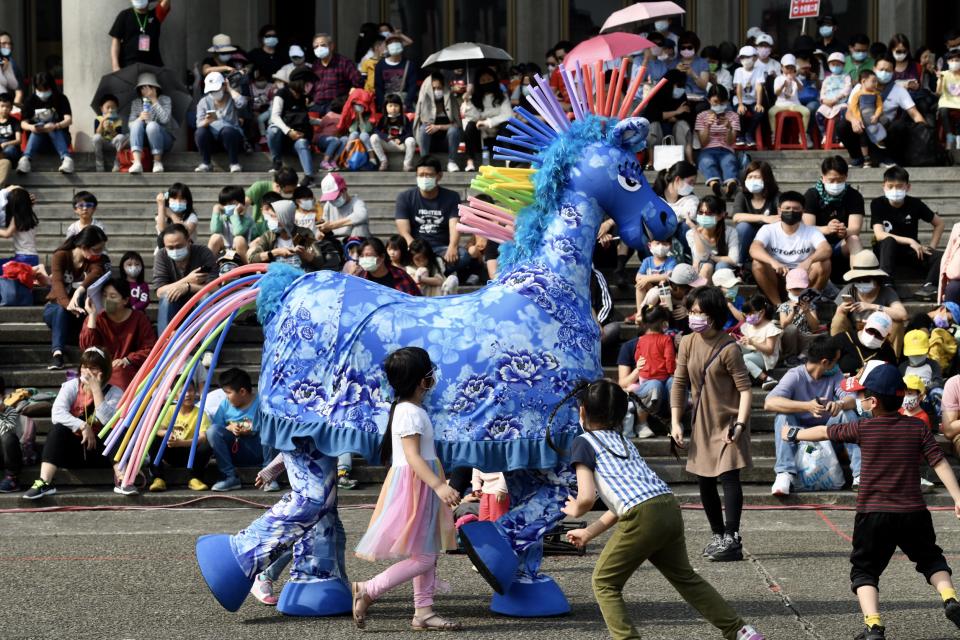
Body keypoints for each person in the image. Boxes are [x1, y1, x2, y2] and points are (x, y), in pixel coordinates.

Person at [562, 379, 765, 640]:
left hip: (642, 516)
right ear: (623, 415)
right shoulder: (623, 442)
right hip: (667, 506)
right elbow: (623, 502)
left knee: (604, 583)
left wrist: (577, 509)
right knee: (685, 578)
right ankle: (740, 630)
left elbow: (587, 498)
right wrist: (589, 532)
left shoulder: (583, 442)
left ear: (582, 411)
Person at [785, 363, 960, 639]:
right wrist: (958, 497)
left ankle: (874, 626)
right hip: (913, 511)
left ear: (873, 401)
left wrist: (793, 434)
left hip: (873, 514)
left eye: (863, 395)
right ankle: (950, 599)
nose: (860, 400)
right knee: (931, 558)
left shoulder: (863, 427)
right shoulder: (918, 428)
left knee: (865, 570)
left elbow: (823, 433)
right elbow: (939, 462)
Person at [352, 347, 459, 631]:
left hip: (420, 484)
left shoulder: (408, 409)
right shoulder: (410, 413)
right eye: (430, 372)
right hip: (419, 485)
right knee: (425, 556)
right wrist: (438, 485)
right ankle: (369, 589)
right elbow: (413, 456)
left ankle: (423, 611)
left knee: (426, 552)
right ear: (423, 381)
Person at [671, 286, 753, 562]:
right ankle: (717, 534)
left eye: (700, 312)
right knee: (704, 479)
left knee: (729, 476)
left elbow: (745, 390)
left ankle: (732, 536)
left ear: (714, 315)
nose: (695, 317)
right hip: (701, 421)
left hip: (729, 420)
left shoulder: (730, 348)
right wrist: (675, 422)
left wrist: (740, 424)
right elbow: (679, 382)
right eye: (692, 311)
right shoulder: (686, 342)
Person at [22, 347, 124, 500]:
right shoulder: (71, 387)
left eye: (93, 368)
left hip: (102, 453)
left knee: (113, 430)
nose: (87, 372)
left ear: (103, 371)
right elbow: (57, 413)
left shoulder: (115, 392)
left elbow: (109, 421)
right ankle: (44, 482)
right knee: (58, 429)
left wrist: (96, 390)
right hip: (74, 450)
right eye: (84, 367)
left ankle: (122, 479)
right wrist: (82, 425)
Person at [765, 334, 859, 496]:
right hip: (798, 438)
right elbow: (769, 403)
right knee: (782, 415)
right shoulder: (795, 375)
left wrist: (839, 404)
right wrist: (807, 406)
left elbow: (852, 399)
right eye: (835, 361)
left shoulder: (835, 375)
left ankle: (859, 474)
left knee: (848, 413)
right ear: (824, 362)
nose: (838, 365)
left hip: (828, 438)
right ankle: (784, 473)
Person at [838, 55, 928, 168]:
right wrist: (853, 121)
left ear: (893, 72)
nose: (884, 73)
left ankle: (887, 158)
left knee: (899, 126)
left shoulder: (898, 90)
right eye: (881, 70)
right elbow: (849, 111)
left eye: (888, 70)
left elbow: (914, 113)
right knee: (842, 125)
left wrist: (925, 131)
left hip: (884, 133)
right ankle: (857, 158)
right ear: (874, 69)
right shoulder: (859, 88)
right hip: (862, 130)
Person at [870, 165, 944, 301]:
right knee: (888, 240)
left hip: (911, 252)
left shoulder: (915, 204)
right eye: (890, 186)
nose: (895, 190)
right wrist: (911, 241)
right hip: (886, 252)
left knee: (941, 256)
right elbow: (879, 234)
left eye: (899, 186)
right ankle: (887, 283)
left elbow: (939, 223)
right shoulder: (878, 204)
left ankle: (928, 287)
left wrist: (932, 247)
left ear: (908, 187)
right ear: (884, 186)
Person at [44, 226, 108, 371]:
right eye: (96, 249)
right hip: (55, 308)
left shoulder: (95, 260)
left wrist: (80, 290)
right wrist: (68, 305)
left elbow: (96, 272)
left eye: (101, 249)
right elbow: (57, 284)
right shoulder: (61, 256)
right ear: (84, 247)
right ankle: (57, 353)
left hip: (79, 311)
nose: (99, 253)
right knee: (61, 309)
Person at [750, 191, 832, 305]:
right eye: (787, 208)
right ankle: (778, 307)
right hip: (778, 276)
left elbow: (826, 249)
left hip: (804, 277)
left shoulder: (811, 231)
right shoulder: (768, 229)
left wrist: (808, 261)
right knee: (757, 264)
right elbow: (754, 249)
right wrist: (773, 262)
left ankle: (806, 305)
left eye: (796, 208)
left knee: (825, 263)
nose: (791, 211)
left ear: (803, 211)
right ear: (779, 210)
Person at [79, 277, 156, 391]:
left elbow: (150, 348)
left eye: (112, 296)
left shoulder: (139, 319)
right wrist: (92, 317)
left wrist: (128, 359)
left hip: (128, 370)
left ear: (125, 300)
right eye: (104, 295)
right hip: (100, 369)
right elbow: (87, 349)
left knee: (120, 372)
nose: (107, 299)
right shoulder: (96, 319)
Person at [395, 156, 462, 268]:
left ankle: (428, 269)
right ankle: (438, 270)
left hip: (442, 248)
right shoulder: (405, 197)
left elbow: (455, 224)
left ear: (439, 176)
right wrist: (413, 246)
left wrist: (453, 246)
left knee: (463, 256)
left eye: (429, 175)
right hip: (415, 248)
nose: (424, 178)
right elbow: (403, 229)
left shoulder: (452, 197)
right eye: (421, 175)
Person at [205, 368, 265, 492]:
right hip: (236, 451)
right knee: (212, 430)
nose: (226, 397)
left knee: (271, 427)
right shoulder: (225, 404)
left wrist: (252, 430)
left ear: (242, 391)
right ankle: (229, 476)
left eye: (228, 393)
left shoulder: (262, 403)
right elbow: (216, 429)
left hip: (259, 450)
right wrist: (230, 428)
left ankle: (269, 476)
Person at [832, 250, 908, 348]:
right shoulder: (849, 289)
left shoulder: (886, 292)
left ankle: (892, 358)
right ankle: (838, 354)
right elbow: (836, 319)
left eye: (866, 280)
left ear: (876, 279)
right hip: (855, 336)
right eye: (858, 280)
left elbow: (903, 315)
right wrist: (842, 309)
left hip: (880, 337)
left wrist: (872, 306)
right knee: (839, 318)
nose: (862, 283)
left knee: (898, 322)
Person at [153, 223, 217, 335]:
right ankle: (165, 345)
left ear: (188, 241)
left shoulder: (203, 253)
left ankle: (209, 350)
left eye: (179, 246)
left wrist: (189, 287)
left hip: (198, 305)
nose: (175, 250)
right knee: (166, 297)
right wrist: (187, 280)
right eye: (170, 247)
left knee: (206, 297)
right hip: (175, 306)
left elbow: (215, 288)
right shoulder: (162, 256)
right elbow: (160, 291)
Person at [149, 380, 211, 492]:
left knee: (206, 445)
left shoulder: (201, 412)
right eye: (182, 391)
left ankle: (195, 478)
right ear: (175, 395)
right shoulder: (170, 410)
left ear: (195, 392)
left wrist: (182, 443)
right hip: (172, 451)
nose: (187, 394)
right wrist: (168, 434)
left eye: (190, 390)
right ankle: (158, 478)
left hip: (191, 454)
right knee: (154, 438)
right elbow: (158, 430)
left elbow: (202, 437)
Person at [803, 155, 865, 260]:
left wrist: (844, 231)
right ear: (823, 177)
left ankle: (857, 274)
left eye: (840, 180)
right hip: (818, 245)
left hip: (841, 244)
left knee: (854, 239)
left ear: (846, 177)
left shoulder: (854, 196)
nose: (835, 184)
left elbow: (855, 229)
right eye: (831, 180)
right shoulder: (812, 195)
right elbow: (806, 228)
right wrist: (826, 229)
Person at [626, 305, 675, 438]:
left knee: (671, 383)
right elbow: (669, 360)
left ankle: (674, 423)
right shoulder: (666, 339)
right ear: (662, 322)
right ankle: (642, 423)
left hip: (647, 381)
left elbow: (637, 358)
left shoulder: (641, 340)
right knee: (663, 384)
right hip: (657, 383)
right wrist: (671, 372)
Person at [17, 72, 74, 174]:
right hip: (39, 142)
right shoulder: (30, 100)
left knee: (51, 126)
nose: (42, 92)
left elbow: (68, 120)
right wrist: (32, 127)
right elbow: (23, 123)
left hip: (60, 139)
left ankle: (66, 159)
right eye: (39, 89)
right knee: (38, 129)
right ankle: (25, 160)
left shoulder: (61, 98)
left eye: (45, 89)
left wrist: (56, 126)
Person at [247, 197, 323, 271]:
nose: (270, 220)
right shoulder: (269, 236)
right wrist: (275, 252)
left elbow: (320, 261)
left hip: (301, 277)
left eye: (273, 217)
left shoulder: (303, 234)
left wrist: (306, 255)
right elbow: (252, 258)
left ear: (285, 218)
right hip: (277, 276)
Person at [267, 67, 316, 181]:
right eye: (307, 83)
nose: (310, 86)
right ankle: (277, 162)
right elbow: (274, 116)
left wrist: (322, 121)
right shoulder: (282, 93)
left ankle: (309, 177)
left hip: (297, 140)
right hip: (282, 137)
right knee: (273, 130)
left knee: (303, 143)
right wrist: (289, 132)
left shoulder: (304, 98)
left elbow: (303, 118)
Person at [460, 67, 512, 172]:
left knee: (506, 125)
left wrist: (488, 122)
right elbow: (473, 117)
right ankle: (470, 162)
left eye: (489, 79)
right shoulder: (474, 98)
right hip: (481, 138)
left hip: (498, 136)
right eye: (483, 81)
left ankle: (509, 161)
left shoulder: (503, 96)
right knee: (470, 126)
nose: (486, 83)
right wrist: (468, 99)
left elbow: (508, 115)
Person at [194, 71, 246, 174]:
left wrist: (230, 89)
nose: (214, 92)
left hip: (232, 139)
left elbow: (242, 103)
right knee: (200, 132)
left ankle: (234, 163)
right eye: (211, 90)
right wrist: (207, 121)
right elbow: (198, 124)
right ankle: (206, 163)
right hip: (213, 141)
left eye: (216, 89)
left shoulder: (232, 97)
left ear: (223, 85)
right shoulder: (204, 102)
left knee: (227, 131)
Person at [695, 85, 740, 201]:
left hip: (726, 149)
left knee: (729, 162)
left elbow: (730, 142)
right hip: (707, 150)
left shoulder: (733, 116)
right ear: (709, 100)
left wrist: (729, 128)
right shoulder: (701, 116)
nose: (718, 105)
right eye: (715, 102)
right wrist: (707, 127)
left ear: (726, 101)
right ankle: (715, 184)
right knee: (706, 162)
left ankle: (731, 185)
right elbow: (703, 143)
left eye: (722, 102)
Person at [732, 160, 779, 264]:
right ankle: (740, 263)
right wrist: (764, 218)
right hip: (747, 236)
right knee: (743, 227)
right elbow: (736, 217)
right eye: (750, 177)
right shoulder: (742, 196)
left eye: (757, 177)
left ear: (767, 179)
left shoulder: (776, 196)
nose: (753, 180)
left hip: (769, 237)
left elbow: (781, 216)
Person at [127, 72, 175, 174]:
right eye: (142, 88)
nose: (146, 91)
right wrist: (140, 118)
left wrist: (154, 100)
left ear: (155, 88)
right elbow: (130, 125)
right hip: (143, 140)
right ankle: (137, 162)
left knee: (152, 125)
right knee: (136, 123)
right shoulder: (136, 102)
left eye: (149, 87)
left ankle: (157, 162)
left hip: (163, 139)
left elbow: (165, 119)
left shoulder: (165, 99)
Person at [414, 72, 462, 173]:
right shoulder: (424, 101)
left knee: (454, 131)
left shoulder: (451, 101)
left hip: (447, 142)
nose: (437, 91)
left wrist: (438, 127)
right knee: (423, 129)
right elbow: (420, 123)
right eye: (434, 88)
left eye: (439, 88)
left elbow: (457, 125)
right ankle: (425, 161)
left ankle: (452, 162)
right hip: (429, 142)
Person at [645, 69, 695, 165]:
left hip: (675, 128)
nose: (680, 89)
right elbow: (652, 115)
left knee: (683, 125)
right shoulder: (657, 95)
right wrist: (676, 112)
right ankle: (651, 161)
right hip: (659, 129)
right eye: (678, 85)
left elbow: (687, 114)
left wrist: (674, 117)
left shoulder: (681, 96)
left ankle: (688, 161)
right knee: (653, 126)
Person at [686, 195, 739, 282]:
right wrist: (694, 229)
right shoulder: (691, 233)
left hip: (724, 267)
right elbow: (701, 257)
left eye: (709, 213)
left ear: (721, 215)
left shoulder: (730, 232)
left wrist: (713, 258)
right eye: (700, 212)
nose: (703, 216)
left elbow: (734, 259)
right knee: (706, 266)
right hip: (703, 268)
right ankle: (700, 295)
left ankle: (726, 294)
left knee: (721, 266)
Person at [109, 0, 171, 71]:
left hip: (153, 66)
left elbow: (166, 2)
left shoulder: (156, 14)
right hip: (128, 65)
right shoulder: (124, 15)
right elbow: (116, 41)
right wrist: (115, 66)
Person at [310, 33, 361, 114]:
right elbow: (311, 87)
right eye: (316, 47)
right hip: (317, 105)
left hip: (336, 106)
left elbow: (358, 81)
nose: (319, 48)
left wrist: (351, 93)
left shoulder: (344, 63)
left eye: (323, 45)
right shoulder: (315, 66)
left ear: (331, 46)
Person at [738, 294, 781, 390]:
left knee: (745, 358)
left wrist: (752, 342)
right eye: (746, 314)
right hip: (753, 352)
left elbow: (769, 350)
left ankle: (766, 378)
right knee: (733, 350)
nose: (748, 317)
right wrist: (742, 343)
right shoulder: (749, 326)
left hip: (765, 357)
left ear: (761, 312)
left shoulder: (770, 328)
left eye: (751, 313)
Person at [836, 310, 898, 376]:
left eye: (879, 334)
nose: (873, 336)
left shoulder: (888, 351)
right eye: (870, 330)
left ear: (886, 336)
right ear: (865, 325)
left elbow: (892, 375)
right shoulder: (844, 339)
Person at [768, 54, 812, 146]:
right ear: (782, 67)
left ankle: (803, 134)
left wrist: (795, 79)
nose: (789, 69)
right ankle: (774, 134)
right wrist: (783, 85)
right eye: (787, 67)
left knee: (806, 112)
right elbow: (776, 93)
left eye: (791, 67)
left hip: (794, 104)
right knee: (771, 112)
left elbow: (801, 89)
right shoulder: (778, 79)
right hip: (780, 104)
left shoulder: (796, 78)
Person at [778, 268, 820, 363]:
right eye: (795, 289)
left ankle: (803, 355)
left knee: (822, 338)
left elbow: (815, 328)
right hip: (789, 340)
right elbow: (783, 325)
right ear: (788, 288)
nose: (798, 292)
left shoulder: (810, 305)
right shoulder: (784, 306)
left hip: (805, 337)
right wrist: (792, 313)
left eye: (801, 289)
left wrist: (807, 312)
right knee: (791, 328)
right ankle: (790, 356)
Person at [356, 237, 421, 295]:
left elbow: (417, 300)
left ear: (382, 257)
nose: (364, 259)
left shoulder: (401, 276)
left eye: (368, 255)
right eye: (361, 256)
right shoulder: (359, 279)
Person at [847, 69, 886, 163]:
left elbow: (880, 106)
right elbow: (853, 107)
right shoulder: (857, 94)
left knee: (884, 124)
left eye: (876, 81)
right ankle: (866, 157)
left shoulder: (877, 94)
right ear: (863, 81)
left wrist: (876, 115)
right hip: (862, 119)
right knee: (863, 137)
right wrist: (858, 119)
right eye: (873, 81)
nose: (875, 84)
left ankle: (881, 151)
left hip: (873, 118)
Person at [633, 237, 677, 320]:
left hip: (665, 291)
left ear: (670, 246)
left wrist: (647, 278)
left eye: (664, 243)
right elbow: (637, 277)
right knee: (640, 284)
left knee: (663, 283)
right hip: (650, 289)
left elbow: (668, 276)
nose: (661, 246)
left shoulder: (671, 261)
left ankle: (666, 314)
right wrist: (646, 280)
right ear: (650, 245)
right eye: (657, 243)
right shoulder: (647, 261)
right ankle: (639, 312)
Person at [371, 93, 416, 171]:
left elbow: (410, 133)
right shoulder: (384, 118)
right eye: (390, 106)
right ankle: (383, 161)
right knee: (373, 137)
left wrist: (401, 139)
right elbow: (376, 130)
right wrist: (386, 137)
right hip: (389, 144)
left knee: (411, 140)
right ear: (386, 107)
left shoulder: (404, 118)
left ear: (400, 107)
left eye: (396, 106)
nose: (393, 108)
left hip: (401, 145)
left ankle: (407, 164)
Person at [246, 167, 298, 233]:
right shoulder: (260, 187)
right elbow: (243, 205)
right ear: (278, 186)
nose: (293, 192)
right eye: (289, 191)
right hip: (262, 231)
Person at [318, 172, 369, 240]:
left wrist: (332, 225)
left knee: (360, 226)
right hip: (335, 242)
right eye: (329, 199)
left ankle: (355, 250)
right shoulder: (328, 205)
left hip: (353, 240)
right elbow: (325, 223)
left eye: (335, 197)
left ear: (344, 190)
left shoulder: (357, 203)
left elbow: (361, 216)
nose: (332, 200)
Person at [209, 185, 255, 257]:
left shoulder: (247, 219)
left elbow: (238, 232)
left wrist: (235, 214)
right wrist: (216, 212)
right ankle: (208, 265)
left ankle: (246, 266)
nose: (227, 206)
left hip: (241, 253)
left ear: (241, 203)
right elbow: (215, 230)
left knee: (238, 239)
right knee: (215, 237)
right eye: (224, 204)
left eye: (231, 203)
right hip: (224, 251)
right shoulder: (222, 217)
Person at [817, 52, 852, 145]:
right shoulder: (827, 79)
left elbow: (847, 89)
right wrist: (824, 100)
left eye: (838, 64)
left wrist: (837, 98)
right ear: (829, 65)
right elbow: (822, 91)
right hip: (828, 103)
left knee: (843, 114)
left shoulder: (846, 77)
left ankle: (841, 137)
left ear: (843, 65)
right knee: (819, 114)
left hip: (841, 103)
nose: (835, 66)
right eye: (833, 64)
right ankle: (824, 134)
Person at [373, 36, 416, 112]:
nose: (394, 44)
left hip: (405, 103)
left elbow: (412, 86)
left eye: (397, 42)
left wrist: (406, 104)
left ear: (402, 45)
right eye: (391, 43)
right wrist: (383, 105)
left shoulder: (409, 64)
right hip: (387, 103)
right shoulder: (380, 65)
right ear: (387, 47)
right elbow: (378, 87)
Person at [733, 45, 765, 147]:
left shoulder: (759, 70)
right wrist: (740, 104)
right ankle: (740, 135)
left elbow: (759, 87)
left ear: (755, 58)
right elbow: (738, 87)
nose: (745, 60)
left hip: (753, 101)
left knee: (759, 113)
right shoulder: (738, 71)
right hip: (740, 100)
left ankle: (749, 133)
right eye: (742, 57)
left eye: (748, 57)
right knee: (740, 113)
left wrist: (759, 104)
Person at [0, 186, 38, 267]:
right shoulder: (29, 215)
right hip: (34, 257)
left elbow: (7, 234)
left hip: (22, 259)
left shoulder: (16, 218)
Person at [91, 93, 126, 173]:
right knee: (96, 137)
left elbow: (118, 135)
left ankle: (117, 162)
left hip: (113, 143)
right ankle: (99, 163)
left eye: (113, 107)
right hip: (103, 143)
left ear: (117, 108)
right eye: (108, 107)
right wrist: (103, 122)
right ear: (102, 109)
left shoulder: (118, 120)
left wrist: (111, 130)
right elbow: (97, 133)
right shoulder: (98, 118)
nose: (110, 110)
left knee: (121, 137)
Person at [0, 376, 23, 492]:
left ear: (2, 397)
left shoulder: (11, 412)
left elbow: (9, 429)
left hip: (7, 454)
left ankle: (12, 478)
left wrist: (2, 413)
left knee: (8, 438)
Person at [938, 49, 960, 148]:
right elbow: (938, 92)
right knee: (943, 111)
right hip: (946, 101)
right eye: (952, 60)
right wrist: (940, 79)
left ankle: (959, 138)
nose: (954, 63)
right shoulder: (944, 74)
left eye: (957, 60)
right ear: (947, 62)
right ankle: (949, 136)